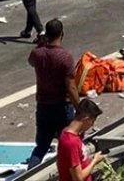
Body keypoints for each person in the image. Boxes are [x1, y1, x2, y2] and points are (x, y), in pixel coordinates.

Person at [26, 19, 79, 167]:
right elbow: (71, 87)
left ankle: (31, 175)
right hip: (62, 108)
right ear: (62, 34)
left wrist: (40, 43)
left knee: (41, 147)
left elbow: (30, 61)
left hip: (43, 107)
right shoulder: (65, 57)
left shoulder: (37, 53)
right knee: (69, 146)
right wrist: (79, 108)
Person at [56, 99, 105, 181]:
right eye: (92, 121)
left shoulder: (67, 133)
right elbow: (78, 178)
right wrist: (94, 161)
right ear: (86, 119)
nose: (92, 125)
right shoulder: (71, 143)